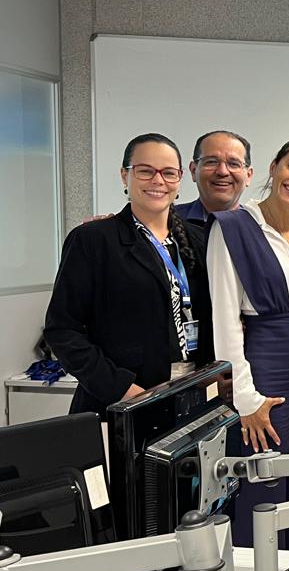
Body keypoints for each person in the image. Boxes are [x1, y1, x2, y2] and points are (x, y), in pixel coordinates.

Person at [207, 137, 289, 547]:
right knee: (263, 483)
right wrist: (246, 398)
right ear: (274, 166)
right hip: (265, 369)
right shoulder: (232, 228)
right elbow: (226, 319)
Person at [45, 133, 213, 418]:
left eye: (168, 172)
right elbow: (62, 330)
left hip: (191, 394)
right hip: (122, 402)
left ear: (180, 178)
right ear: (125, 175)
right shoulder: (93, 240)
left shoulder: (198, 240)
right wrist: (123, 389)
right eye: (145, 171)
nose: (158, 181)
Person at [174, 130, 254, 228]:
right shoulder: (167, 221)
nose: (222, 171)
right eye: (211, 162)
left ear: (248, 176)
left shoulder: (260, 226)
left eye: (233, 164)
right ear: (194, 171)